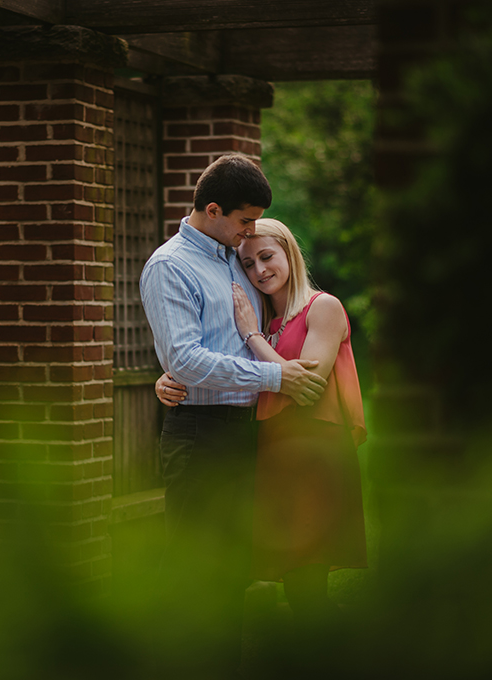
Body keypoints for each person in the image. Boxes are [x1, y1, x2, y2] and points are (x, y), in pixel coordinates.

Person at [139, 155, 328, 678]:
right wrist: (277, 377)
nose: (252, 233)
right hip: (201, 435)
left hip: (245, 433)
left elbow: (245, 338)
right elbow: (186, 359)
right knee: (195, 572)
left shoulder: (229, 256)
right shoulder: (170, 265)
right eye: (245, 220)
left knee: (231, 574)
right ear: (214, 209)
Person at [156, 217, 368, 629]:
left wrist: (252, 337)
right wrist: (169, 376)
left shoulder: (321, 307)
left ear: (289, 253)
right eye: (248, 264)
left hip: (312, 457)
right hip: (270, 455)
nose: (259, 270)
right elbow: (218, 361)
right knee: (266, 575)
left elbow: (305, 385)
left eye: (267, 257)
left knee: (307, 588)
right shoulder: (267, 319)